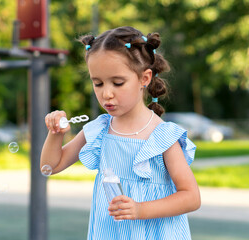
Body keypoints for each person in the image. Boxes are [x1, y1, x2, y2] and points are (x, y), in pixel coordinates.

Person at [41, 26, 201, 239]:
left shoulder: (163, 137)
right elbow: (51, 166)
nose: (106, 93)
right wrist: (55, 133)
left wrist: (140, 209)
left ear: (144, 79)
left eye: (118, 83)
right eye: (97, 83)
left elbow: (191, 197)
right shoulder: (100, 129)